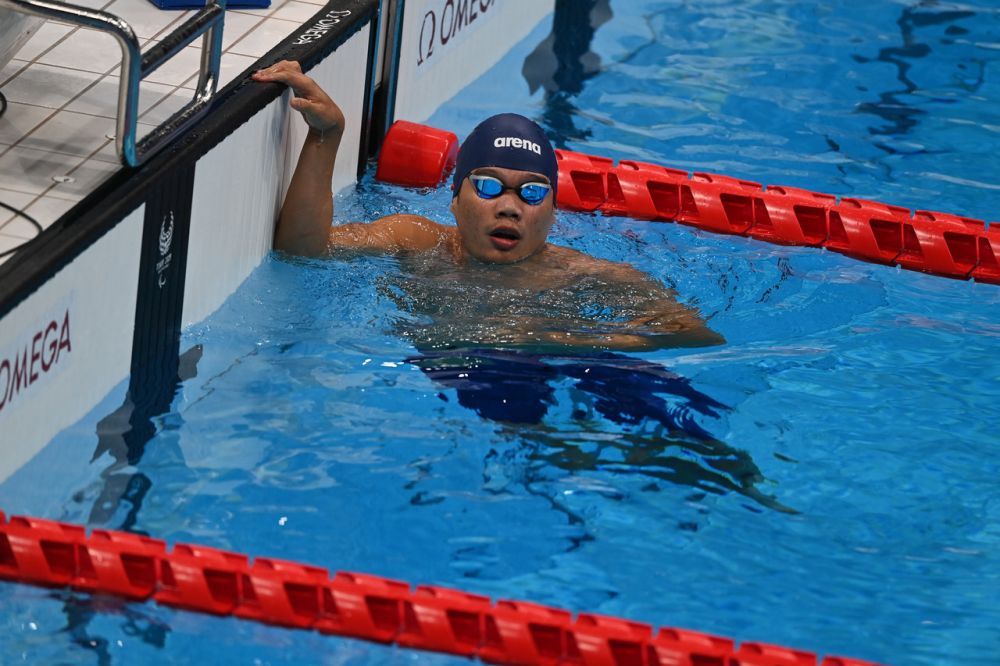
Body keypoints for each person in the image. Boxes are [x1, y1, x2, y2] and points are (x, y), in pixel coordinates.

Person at [252, 61, 725, 352]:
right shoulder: (413, 240)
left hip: (551, 370)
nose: (511, 207)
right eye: (490, 186)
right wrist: (325, 136)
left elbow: (695, 335)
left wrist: (543, 337)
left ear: (554, 214)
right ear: (454, 201)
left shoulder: (589, 276)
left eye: (533, 192)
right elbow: (301, 251)